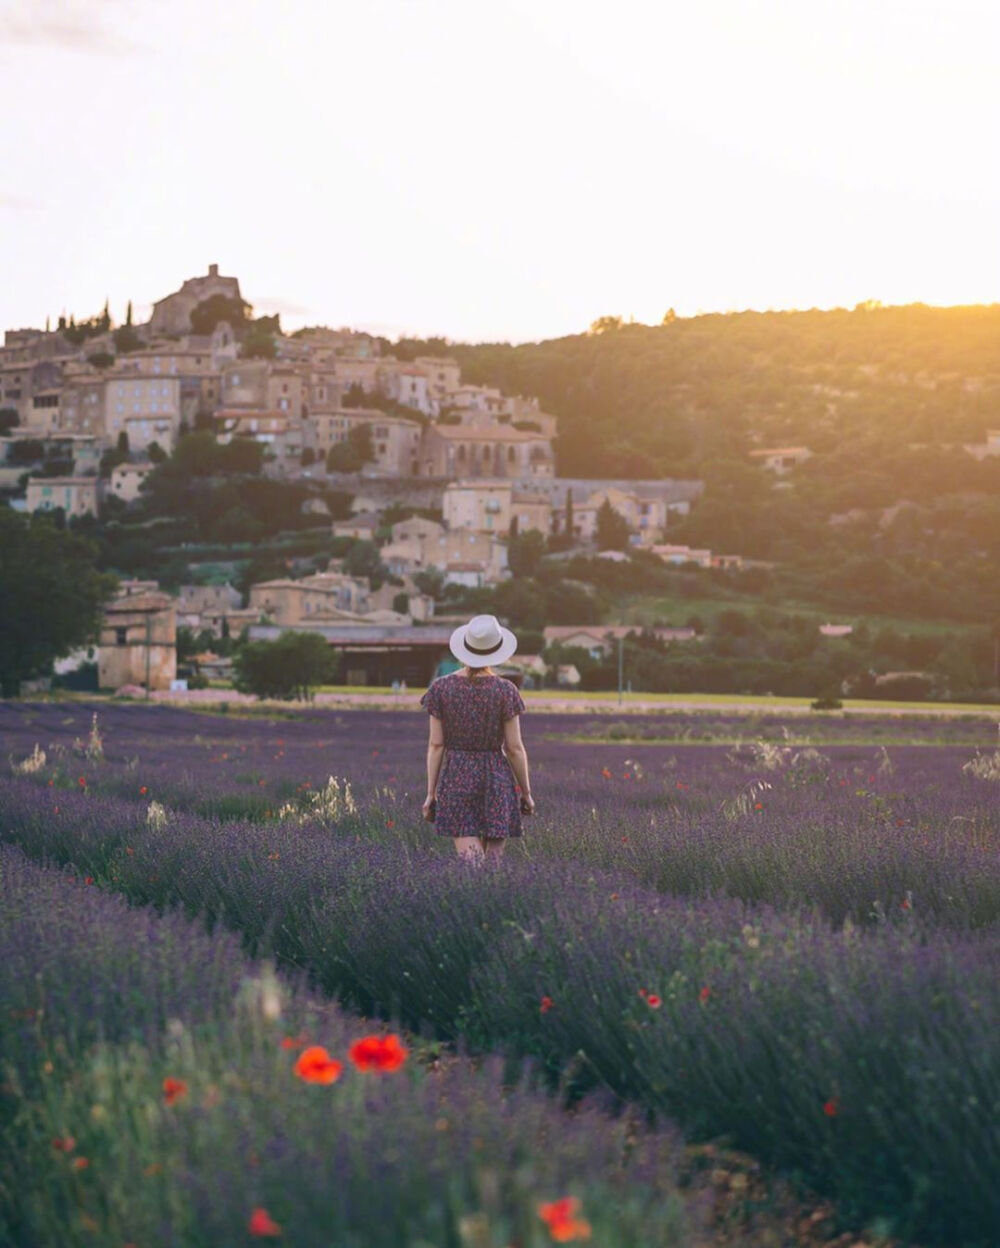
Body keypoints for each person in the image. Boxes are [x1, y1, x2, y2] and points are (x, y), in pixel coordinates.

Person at [420, 614, 534, 865]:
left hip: (457, 775)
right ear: (497, 651)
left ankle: (475, 898)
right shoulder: (505, 690)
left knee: (471, 865)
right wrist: (526, 793)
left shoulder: (440, 688)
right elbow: (514, 748)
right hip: (496, 776)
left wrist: (431, 793)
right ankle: (493, 902)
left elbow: (436, 745)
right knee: (492, 864)